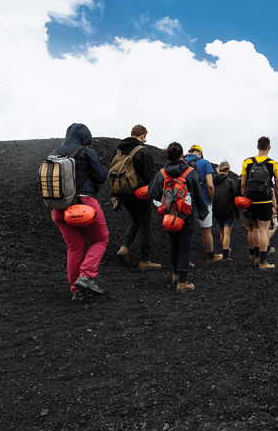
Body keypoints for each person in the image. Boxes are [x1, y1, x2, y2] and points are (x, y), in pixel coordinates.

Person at [51, 123, 109, 301]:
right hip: (84, 205)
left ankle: (76, 289)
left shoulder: (55, 152)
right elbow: (100, 177)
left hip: (59, 209)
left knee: (74, 247)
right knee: (100, 239)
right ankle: (85, 276)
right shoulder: (86, 152)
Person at [148, 142, 209, 292]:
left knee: (174, 244)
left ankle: (175, 274)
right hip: (187, 213)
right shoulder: (190, 172)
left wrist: (164, 200)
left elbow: (151, 192)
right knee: (185, 246)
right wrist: (202, 213)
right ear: (182, 155)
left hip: (169, 214)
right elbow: (198, 194)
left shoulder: (162, 173)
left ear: (167, 156)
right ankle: (183, 282)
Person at [111, 124, 161, 270]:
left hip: (123, 192)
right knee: (145, 223)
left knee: (135, 220)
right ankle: (145, 260)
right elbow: (148, 176)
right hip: (139, 193)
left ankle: (124, 248)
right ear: (142, 136)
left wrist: (115, 195)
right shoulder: (142, 151)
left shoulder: (118, 149)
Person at [241, 136, 278, 269]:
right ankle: (263, 262)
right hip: (265, 200)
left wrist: (244, 201)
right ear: (269, 147)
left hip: (251, 200)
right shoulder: (274, 164)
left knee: (253, 228)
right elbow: (277, 187)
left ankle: (254, 256)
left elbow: (243, 184)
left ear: (258, 147)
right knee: (264, 230)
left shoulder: (247, 162)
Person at [185, 145, 221, 264]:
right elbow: (210, 185)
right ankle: (211, 257)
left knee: (186, 231)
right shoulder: (205, 162)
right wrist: (210, 201)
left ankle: (186, 260)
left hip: (185, 201)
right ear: (200, 153)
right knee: (206, 230)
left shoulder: (183, 162)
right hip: (203, 201)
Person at [212, 160, 239, 261]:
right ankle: (226, 255)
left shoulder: (213, 181)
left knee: (221, 232)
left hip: (217, 210)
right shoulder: (231, 182)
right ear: (228, 170)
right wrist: (236, 212)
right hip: (229, 210)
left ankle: (225, 250)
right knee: (227, 233)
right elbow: (235, 198)